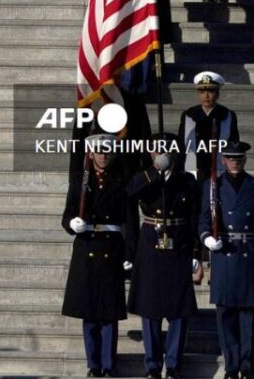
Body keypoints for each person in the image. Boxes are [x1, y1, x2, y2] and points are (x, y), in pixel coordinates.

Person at [198, 142, 254, 379]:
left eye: (239, 159)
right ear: (223, 160)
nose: (235, 162)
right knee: (225, 313)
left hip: (247, 251)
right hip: (223, 253)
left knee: (247, 313)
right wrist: (207, 239)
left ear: (244, 160)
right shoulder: (213, 185)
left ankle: (246, 365)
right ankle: (231, 366)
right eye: (231, 158)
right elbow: (203, 220)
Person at [126, 150, 200, 378]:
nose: (162, 155)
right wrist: (154, 171)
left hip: (178, 244)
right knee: (150, 310)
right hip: (150, 245)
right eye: (157, 151)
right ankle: (153, 365)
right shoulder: (145, 177)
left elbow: (195, 216)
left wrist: (196, 251)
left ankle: (175, 365)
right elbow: (130, 192)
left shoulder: (186, 180)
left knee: (179, 310)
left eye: (166, 152)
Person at [62, 135, 130, 377]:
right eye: (99, 152)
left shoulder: (120, 181)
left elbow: (127, 219)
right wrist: (73, 223)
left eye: (107, 152)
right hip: (86, 248)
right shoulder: (81, 181)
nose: (103, 156)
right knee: (89, 312)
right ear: (90, 154)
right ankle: (93, 365)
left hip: (110, 249)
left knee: (109, 314)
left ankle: (108, 365)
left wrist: (128, 252)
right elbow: (67, 215)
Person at [177, 71, 240, 180]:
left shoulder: (227, 115)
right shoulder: (189, 115)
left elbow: (233, 145)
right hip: (193, 171)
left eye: (210, 91)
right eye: (202, 91)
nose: (206, 95)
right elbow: (182, 145)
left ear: (217, 93)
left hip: (219, 170)